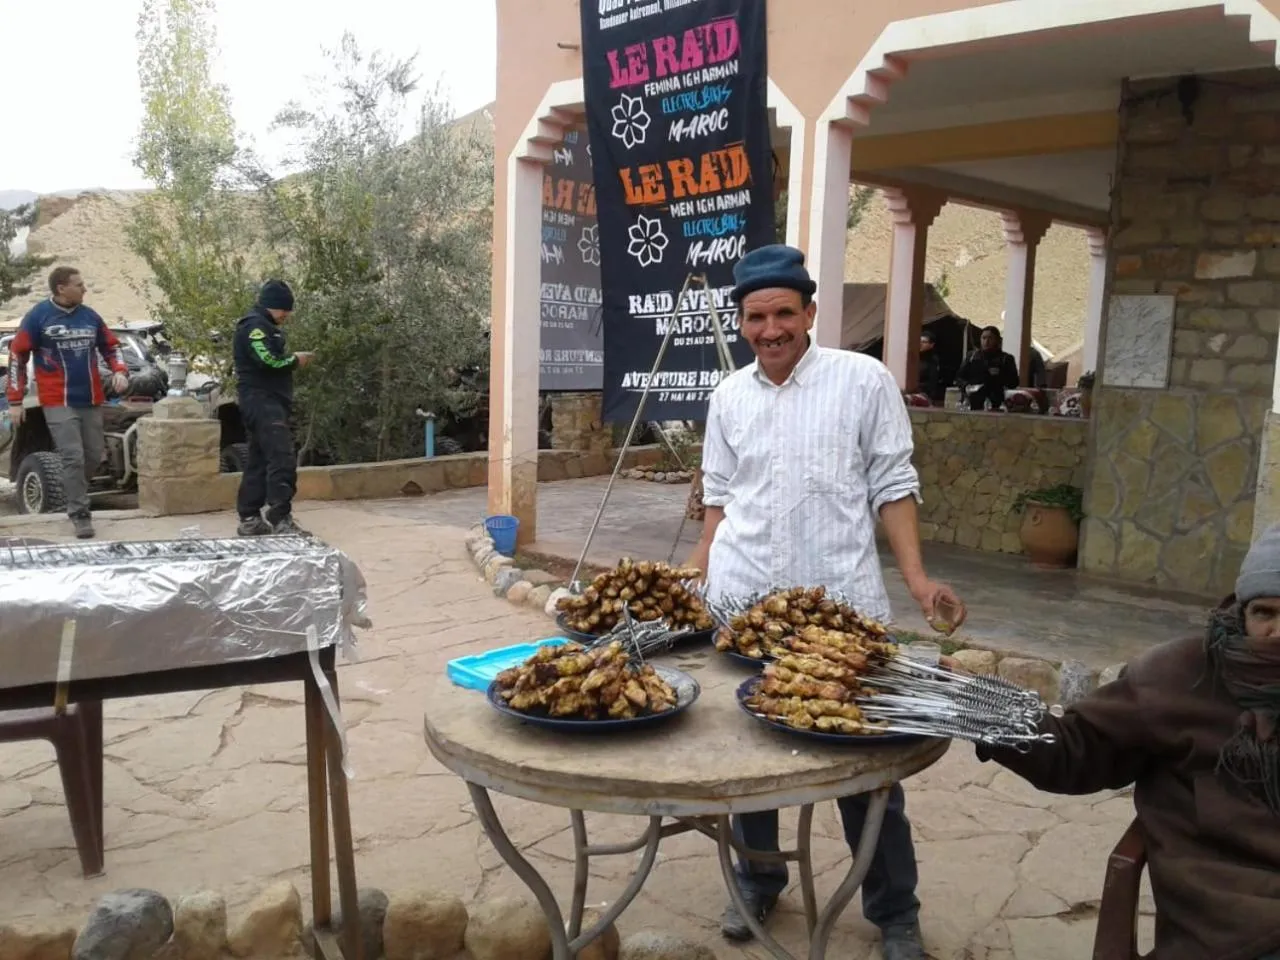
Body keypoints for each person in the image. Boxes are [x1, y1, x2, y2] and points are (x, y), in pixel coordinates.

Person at [689, 244, 966, 960]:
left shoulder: (862, 381)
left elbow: (893, 484)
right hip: (742, 601)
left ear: (810, 312)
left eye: (785, 312)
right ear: (741, 322)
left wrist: (917, 580)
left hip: (842, 609)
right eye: (756, 316)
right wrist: (694, 574)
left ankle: (894, 910)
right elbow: (718, 499)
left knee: (863, 766)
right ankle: (758, 881)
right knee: (747, 758)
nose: (771, 328)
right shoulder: (728, 398)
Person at [977, 525, 1280, 960]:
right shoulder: (1180, 676)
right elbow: (1073, 750)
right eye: (1264, 613)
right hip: (1231, 928)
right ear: (1243, 611)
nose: (1275, 633)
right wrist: (982, 706)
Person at [4, 267, 130, 539]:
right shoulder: (39, 317)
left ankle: (71, 489)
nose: (85, 289)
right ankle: (80, 514)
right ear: (61, 288)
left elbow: (112, 346)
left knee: (94, 454)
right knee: (72, 456)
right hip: (56, 400)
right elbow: (17, 355)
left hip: (90, 398)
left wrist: (119, 370)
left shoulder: (90, 316)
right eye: (79, 285)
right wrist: (15, 401)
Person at [233, 280, 313, 536]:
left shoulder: (265, 326)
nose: (287, 315)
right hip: (262, 401)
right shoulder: (255, 327)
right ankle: (281, 518)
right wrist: (294, 361)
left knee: (258, 460)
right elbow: (266, 360)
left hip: (268, 401)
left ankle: (250, 516)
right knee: (282, 457)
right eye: (285, 309)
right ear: (275, 306)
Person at [957, 325, 1019, 410]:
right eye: (984, 338)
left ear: (997, 340)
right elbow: (959, 377)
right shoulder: (972, 356)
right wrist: (966, 386)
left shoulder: (1006, 359)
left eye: (990, 338)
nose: (986, 341)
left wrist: (1000, 375)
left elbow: (1014, 382)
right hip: (972, 403)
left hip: (996, 405)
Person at [917, 330, 943, 405]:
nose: (920, 344)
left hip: (924, 395)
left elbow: (932, 382)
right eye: (920, 341)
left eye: (924, 342)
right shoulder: (914, 357)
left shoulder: (932, 360)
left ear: (931, 345)